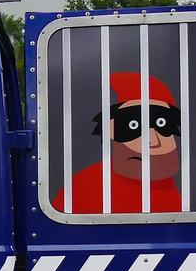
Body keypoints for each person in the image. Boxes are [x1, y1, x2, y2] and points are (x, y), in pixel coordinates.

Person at [53, 72, 184, 214]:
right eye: (134, 125)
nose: (153, 140)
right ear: (111, 128)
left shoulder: (177, 185)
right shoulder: (83, 186)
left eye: (162, 124)